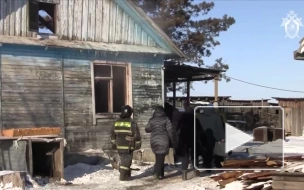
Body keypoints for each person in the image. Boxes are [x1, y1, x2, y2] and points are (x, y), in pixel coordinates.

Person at [110, 105, 141, 181]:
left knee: (123, 160)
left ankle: (126, 174)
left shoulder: (116, 122)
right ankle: (123, 177)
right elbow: (136, 134)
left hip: (119, 145)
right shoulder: (132, 122)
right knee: (126, 161)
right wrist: (138, 144)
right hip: (128, 146)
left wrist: (113, 143)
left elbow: (112, 133)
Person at [145, 105, 177, 180]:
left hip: (154, 141)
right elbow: (170, 131)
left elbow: (147, 129)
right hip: (163, 141)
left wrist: (153, 127)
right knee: (160, 158)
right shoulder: (166, 119)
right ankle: (156, 173)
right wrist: (173, 141)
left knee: (159, 157)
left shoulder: (152, 120)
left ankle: (161, 174)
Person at [196, 103, 225, 171]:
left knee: (207, 152)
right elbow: (220, 128)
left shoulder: (200, 117)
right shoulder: (217, 117)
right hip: (216, 137)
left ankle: (207, 166)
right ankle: (219, 166)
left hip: (204, 137)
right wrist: (223, 137)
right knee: (218, 153)